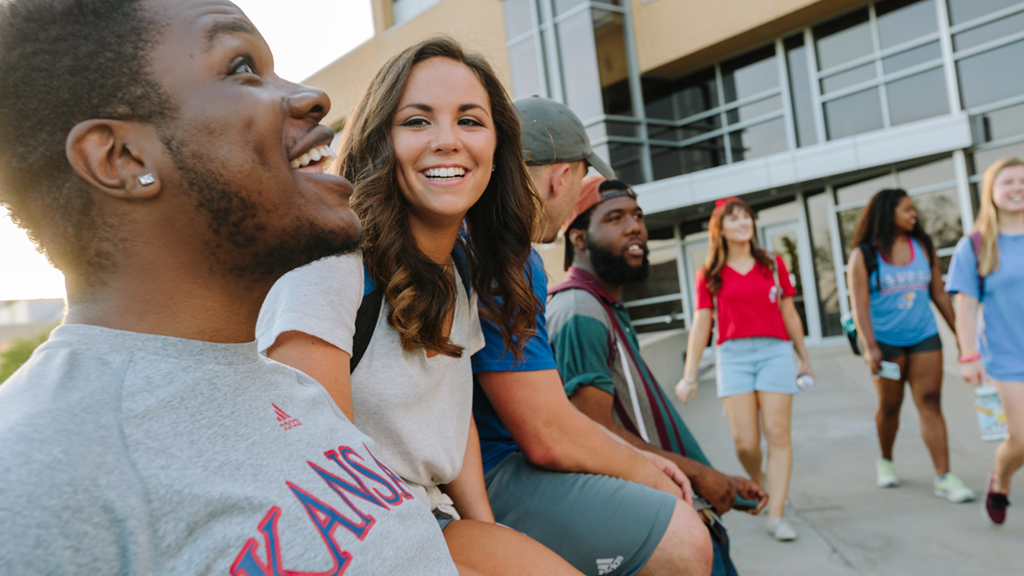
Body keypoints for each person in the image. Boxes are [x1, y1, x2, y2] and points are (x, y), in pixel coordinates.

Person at [0, 1, 458, 574]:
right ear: (123, 158)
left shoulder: (293, 390)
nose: (313, 97)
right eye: (243, 68)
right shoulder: (38, 474)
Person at [256, 38, 580, 576]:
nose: (447, 141)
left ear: (497, 149)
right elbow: (316, 471)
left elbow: (450, 412)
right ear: (380, 141)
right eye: (417, 121)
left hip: (430, 517)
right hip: (345, 539)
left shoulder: (459, 270)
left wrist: (487, 528)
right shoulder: (331, 267)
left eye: (470, 121)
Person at [472, 96, 715, 576]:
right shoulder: (510, 257)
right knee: (685, 541)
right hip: (491, 472)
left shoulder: (474, 237)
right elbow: (549, 433)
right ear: (560, 178)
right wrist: (654, 475)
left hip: (477, 468)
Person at [547, 177, 770, 576]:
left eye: (637, 216)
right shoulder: (579, 309)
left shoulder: (604, 305)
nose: (635, 227)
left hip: (682, 506)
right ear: (578, 239)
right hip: (661, 524)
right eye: (614, 218)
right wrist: (699, 475)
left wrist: (718, 479)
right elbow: (592, 430)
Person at [677, 197, 813, 542]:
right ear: (720, 229)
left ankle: (776, 515)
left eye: (747, 217)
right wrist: (690, 375)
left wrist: (804, 357)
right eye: (734, 218)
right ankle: (761, 482)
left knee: (778, 434)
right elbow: (702, 323)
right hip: (732, 357)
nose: (743, 223)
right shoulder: (710, 273)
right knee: (745, 443)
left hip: (774, 352)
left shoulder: (772, 264)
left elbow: (790, 313)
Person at [846, 188, 974, 503]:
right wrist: (870, 346)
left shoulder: (924, 246)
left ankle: (944, 477)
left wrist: (961, 335)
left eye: (913, 208)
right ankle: (886, 460)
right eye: (906, 209)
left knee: (930, 401)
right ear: (887, 212)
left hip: (924, 336)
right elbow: (859, 306)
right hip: (885, 343)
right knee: (890, 406)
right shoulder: (864, 255)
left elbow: (939, 293)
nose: (913, 214)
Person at [947, 157, 1024, 526]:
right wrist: (968, 355)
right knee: (1022, 440)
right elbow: (965, 306)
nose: (1018, 188)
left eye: (1023, 180)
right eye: (1008, 182)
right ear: (991, 191)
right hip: (1008, 360)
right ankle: (1001, 480)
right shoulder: (975, 246)